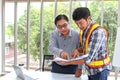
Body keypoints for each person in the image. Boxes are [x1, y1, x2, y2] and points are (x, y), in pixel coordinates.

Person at [58, 7, 111, 80]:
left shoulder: (97, 32)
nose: (79, 26)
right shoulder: (84, 30)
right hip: (90, 70)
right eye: (77, 24)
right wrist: (78, 50)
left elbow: (88, 58)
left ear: (88, 19)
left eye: (81, 23)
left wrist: (68, 62)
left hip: (100, 70)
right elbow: (86, 48)